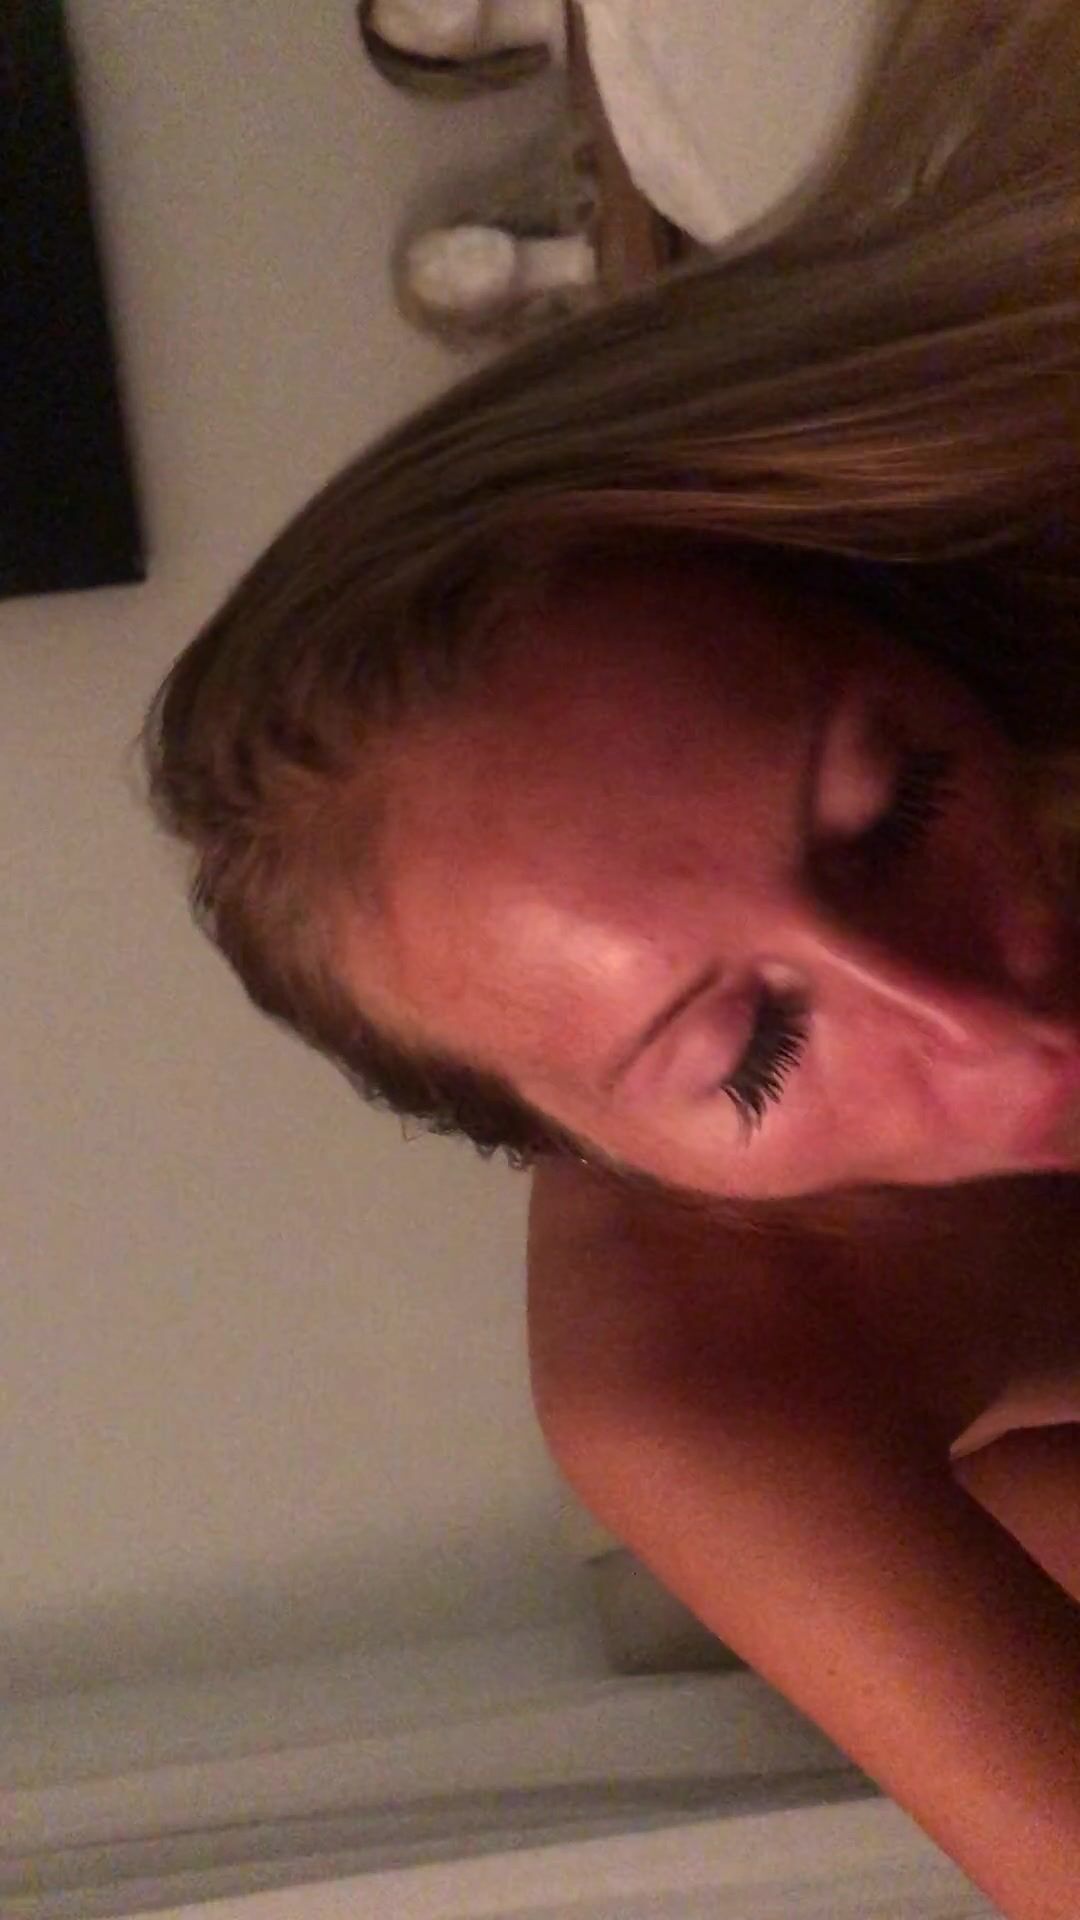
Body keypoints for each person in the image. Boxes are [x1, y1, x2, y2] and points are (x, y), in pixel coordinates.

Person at [142, 3, 1080, 1911]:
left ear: (898, 627)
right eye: (751, 1061)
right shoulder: (700, 1382)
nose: (990, 1032)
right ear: (594, 1152)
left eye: (894, 806)